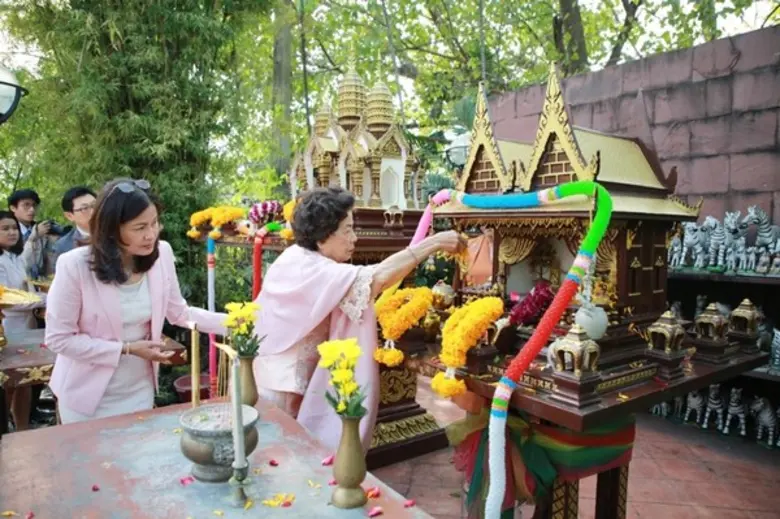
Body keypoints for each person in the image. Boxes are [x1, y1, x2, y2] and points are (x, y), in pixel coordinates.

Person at [253, 186, 466, 451]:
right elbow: (375, 278)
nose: (355, 238)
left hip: (276, 377)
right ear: (321, 238)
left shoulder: (295, 256)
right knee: (286, 463)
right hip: (284, 387)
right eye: (348, 230)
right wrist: (432, 243)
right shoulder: (313, 267)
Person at [45, 178, 226, 424]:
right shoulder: (74, 265)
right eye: (140, 227)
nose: (150, 235)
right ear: (111, 229)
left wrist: (237, 321)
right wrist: (126, 349)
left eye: (154, 223)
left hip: (139, 390)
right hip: (86, 397)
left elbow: (179, 313)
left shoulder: (161, 254)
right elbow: (59, 339)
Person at [0, 210, 46, 430]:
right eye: (5, 228)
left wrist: (38, 298)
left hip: (27, 323)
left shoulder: (15, 257)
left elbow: (24, 290)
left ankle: (22, 427)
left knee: (26, 380)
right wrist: (45, 299)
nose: (12, 233)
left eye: (14, 228)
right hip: (7, 326)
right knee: (8, 382)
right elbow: (7, 298)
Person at [51, 186, 96, 264]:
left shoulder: (117, 233)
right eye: (85, 208)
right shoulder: (63, 247)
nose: (93, 212)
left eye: (95, 205)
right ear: (70, 216)